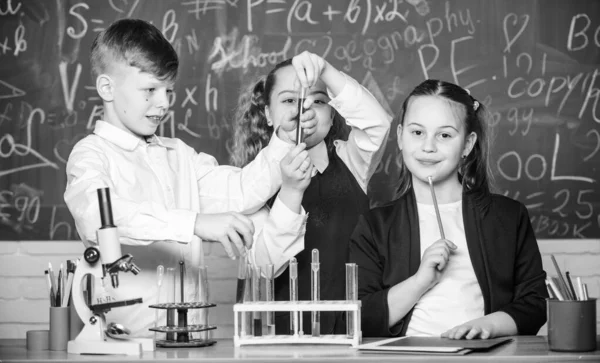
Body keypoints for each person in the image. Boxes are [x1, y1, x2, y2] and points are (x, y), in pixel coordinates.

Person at [63, 19, 305, 338]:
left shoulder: (179, 155)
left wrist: (285, 138)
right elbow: (100, 217)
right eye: (150, 90)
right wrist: (193, 223)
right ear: (107, 87)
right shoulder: (91, 155)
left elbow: (243, 189)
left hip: (188, 341)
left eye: (168, 91)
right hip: (125, 345)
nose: (163, 103)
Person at [349, 79, 548, 339]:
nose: (428, 146)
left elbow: (535, 303)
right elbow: (358, 318)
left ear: (467, 144)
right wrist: (421, 281)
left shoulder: (508, 217)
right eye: (417, 132)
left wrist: (487, 326)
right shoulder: (375, 226)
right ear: (399, 137)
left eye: (444, 135)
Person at [231, 51, 392, 334]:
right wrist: (291, 192)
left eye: (318, 101)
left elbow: (377, 123)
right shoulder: (253, 182)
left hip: (352, 328)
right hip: (280, 336)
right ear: (268, 114)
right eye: (290, 100)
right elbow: (265, 267)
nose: (303, 110)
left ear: (332, 113)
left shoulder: (351, 159)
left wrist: (327, 70)